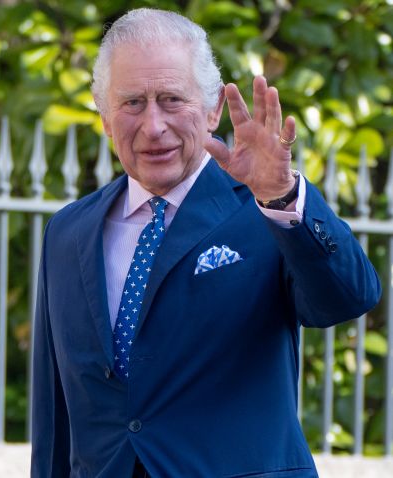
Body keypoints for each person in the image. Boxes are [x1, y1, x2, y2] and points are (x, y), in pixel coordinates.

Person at [31, 8, 380, 478]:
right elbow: (55, 415)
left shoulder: (265, 210)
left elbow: (348, 298)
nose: (153, 126)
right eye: (132, 102)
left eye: (172, 99)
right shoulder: (67, 232)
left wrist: (280, 196)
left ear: (213, 109)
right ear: (105, 117)